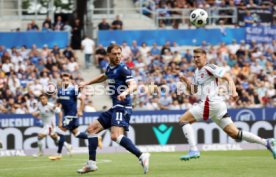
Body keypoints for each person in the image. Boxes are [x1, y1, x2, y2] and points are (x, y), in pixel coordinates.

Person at [178, 48, 276, 161]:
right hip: (216, 105)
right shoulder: (197, 72)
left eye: (198, 56)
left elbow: (227, 77)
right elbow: (194, 90)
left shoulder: (210, 67)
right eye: (194, 57)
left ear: (205, 57)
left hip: (210, 103)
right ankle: (267, 142)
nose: (196, 59)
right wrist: (185, 80)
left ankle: (193, 149)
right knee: (235, 133)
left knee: (183, 120)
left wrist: (233, 91)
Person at [77, 44, 150, 174]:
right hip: (115, 107)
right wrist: (86, 83)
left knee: (115, 136)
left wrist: (125, 93)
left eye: (119, 54)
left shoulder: (123, 68)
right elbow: (104, 76)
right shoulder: (110, 68)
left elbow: (133, 84)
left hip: (123, 106)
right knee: (91, 130)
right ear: (108, 55)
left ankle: (141, 155)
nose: (117, 56)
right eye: (114, 54)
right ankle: (91, 164)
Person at [48, 73, 101, 160]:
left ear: (70, 81)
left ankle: (59, 154)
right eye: (64, 80)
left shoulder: (73, 89)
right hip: (66, 115)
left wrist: (80, 110)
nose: (65, 81)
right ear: (62, 81)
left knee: (60, 132)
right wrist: (56, 107)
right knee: (77, 134)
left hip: (71, 115)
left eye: (67, 80)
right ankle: (95, 137)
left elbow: (82, 99)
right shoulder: (60, 90)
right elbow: (59, 102)